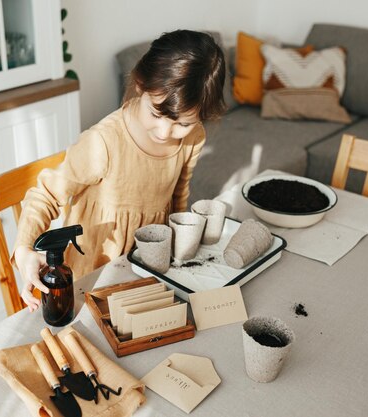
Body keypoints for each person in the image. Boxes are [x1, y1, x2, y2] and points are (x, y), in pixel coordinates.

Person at [12, 29, 226, 311]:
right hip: (94, 274)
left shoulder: (194, 137)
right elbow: (46, 194)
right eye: (156, 113)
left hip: (149, 268)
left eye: (182, 123)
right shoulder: (103, 142)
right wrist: (25, 248)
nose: (166, 132)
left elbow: (178, 196)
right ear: (140, 85)